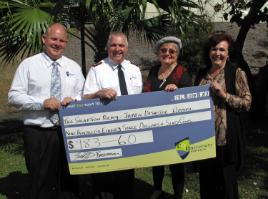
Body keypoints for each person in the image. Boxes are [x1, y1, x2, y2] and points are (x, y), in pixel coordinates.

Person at [8, 23, 85, 199]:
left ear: (66, 42)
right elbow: (13, 96)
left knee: (69, 179)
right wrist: (41, 103)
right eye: (53, 39)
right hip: (38, 132)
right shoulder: (28, 65)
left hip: (68, 132)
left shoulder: (73, 67)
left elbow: (83, 95)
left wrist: (74, 101)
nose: (57, 43)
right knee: (40, 180)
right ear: (44, 39)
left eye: (61, 40)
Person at [83, 32, 143, 199]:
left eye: (121, 45)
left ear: (127, 48)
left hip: (130, 131)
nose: (118, 49)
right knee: (104, 179)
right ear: (107, 47)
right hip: (105, 133)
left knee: (126, 177)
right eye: (113, 45)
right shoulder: (97, 70)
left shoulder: (134, 70)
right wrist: (99, 93)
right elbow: (84, 98)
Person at [194, 31, 252, 199]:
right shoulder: (201, 74)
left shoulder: (236, 73)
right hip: (204, 142)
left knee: (227, 188)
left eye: (222, 49)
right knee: (207, 187)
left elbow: (247, 103)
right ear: (209, 51)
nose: (217, 53)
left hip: (226, 140)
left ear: (228, 53)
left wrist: (225, 95)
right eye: (214, 49)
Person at [143, 36, 192, 199]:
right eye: (163, 50)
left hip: (178, 126)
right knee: (157, 159)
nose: (167, 53)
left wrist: (178, 89)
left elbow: (189, 98)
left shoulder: (182, 72)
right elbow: (146, 92)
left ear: (177, 54)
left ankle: (177, 194)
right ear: (158, 53)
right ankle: (157, 188)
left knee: (178, 162)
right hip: (156, 124)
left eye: (172, 51)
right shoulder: (154, 70)